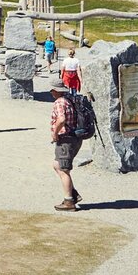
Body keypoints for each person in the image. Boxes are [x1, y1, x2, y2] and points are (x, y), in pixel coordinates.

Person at [48, 78, 83, 211]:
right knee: (57, 165)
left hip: (65, 138)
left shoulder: (59, 102)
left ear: (56, 91)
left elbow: (61, 119)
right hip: (74, 137)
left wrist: (55, 133)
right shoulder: (69, 99)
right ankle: (73, 193)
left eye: (52, 90)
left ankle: (69, 201)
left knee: (63, 170)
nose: (51, 92)